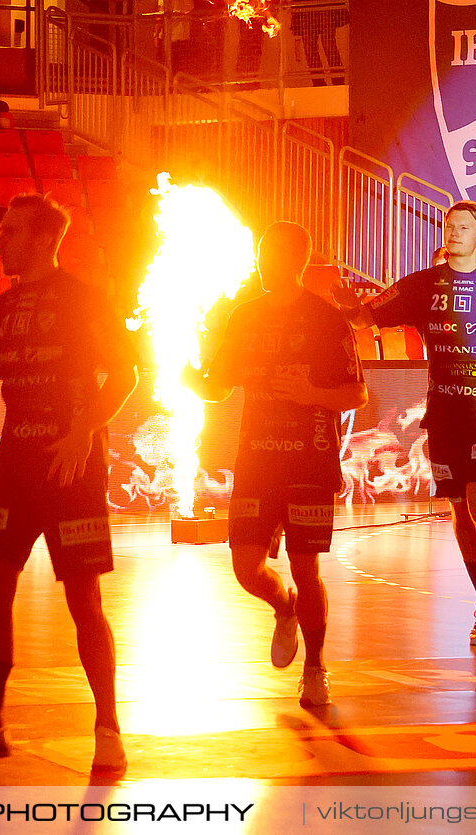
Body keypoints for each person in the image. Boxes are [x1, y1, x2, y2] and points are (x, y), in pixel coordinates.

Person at [0, 194, 133, 774]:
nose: (3, 243)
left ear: (47, 239)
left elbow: (126, 372)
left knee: (83, 598)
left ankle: (108, 726)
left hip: (69, 461)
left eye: (13, 233)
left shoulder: (85, 298)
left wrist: (83, 433)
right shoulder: (4, 305)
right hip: (16, 460)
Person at [334, 202, 476, 646]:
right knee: (457, 509)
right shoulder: (422, 284)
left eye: (464, 227)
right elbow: (363, 318)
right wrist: (339, 304)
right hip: (445, 411)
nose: (453, 232)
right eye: (449, 226)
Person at [185, 222, 366, 707]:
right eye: (261, 253)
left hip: (309, 461)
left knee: (307, 569)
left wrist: (311, 395)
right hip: (257, 461)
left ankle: (316, 668)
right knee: (246, 568)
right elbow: (218, 385)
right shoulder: (245, 317)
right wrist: (187, 376)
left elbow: (358, 393)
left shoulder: (327, 322)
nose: (264, 263)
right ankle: (284, 608)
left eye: (272, 255)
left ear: (296, 262)